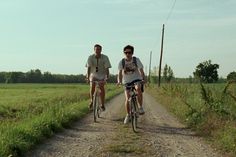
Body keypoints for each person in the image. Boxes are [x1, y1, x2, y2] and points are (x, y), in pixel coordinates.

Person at [117, 45, 146, 124]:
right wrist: (119, 81)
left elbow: (141, 70)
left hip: (136, 79)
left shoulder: (136, 60)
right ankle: (128, 115)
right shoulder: (122, 62)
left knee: (138, 88)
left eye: (129, 52)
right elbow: (119, 73)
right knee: (127, 98)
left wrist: (143, 79)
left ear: (132, 53)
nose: (127, 54)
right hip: (126, 81)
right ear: (124, 53)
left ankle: (140, 107)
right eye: (126, 52)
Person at [86, 44, 111, 111]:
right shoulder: (90, 57)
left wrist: (107, 77)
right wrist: (88, 78)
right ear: (94, 50)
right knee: (92, 85)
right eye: (96, 49)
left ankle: (102, 104)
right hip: (93, 74)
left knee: (101, 87)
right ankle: (92, 100)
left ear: (101, 50)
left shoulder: (105, 57)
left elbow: (107, 68)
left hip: (102, 74)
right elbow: (88, 68)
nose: (97, 51)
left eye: (99, 49)